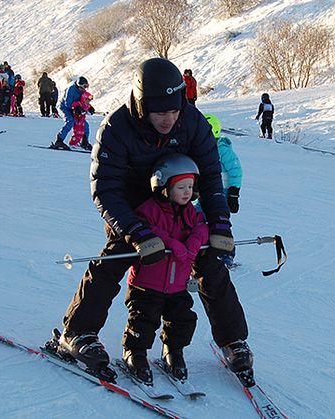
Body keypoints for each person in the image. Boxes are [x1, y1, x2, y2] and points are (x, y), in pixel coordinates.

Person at [43, 58, 253, 384]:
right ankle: (78, 333)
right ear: (142, 105)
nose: (168, 119)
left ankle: (233, 340)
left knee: (210, 259)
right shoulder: (117, 127)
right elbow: (105, 190)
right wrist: (138, 232)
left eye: (174, 110)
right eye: (159, 112)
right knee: (117, 255)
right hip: (133, 208)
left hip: (177, 205)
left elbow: (211, 178)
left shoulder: (192, 123)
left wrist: (221, 227)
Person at [121, 154, 209, 384]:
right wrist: (172, 243)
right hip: (147, 283)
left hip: (178, 285)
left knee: (182, 319)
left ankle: (173, 350)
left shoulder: (191, 211)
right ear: (164, 186)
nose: (187, 192)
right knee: (143, 320)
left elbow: (201, 227)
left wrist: (194, 242)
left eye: (190, 186)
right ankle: (135, 352)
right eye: (181, 187)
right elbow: (145, 227)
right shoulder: (149, 209)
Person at [203, 114, 242, 213]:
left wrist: (234, 193)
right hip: (204, 190)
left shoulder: (223, 150)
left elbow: (236, 171)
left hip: (222, 191)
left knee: (215, 215)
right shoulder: (201, 149)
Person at [50, 76, 89, 150]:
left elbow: (84, 101)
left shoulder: (82, 92)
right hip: (64, 107)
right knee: (70, 121)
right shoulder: (71, 90)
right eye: (83, 87)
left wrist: (88, 107)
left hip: (74, 108)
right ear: (78, 85)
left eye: (86, 87)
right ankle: (59, 140)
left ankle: (84, 142)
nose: (84, 89)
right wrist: (78, 108)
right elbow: (68, 103)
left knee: (85, 124)